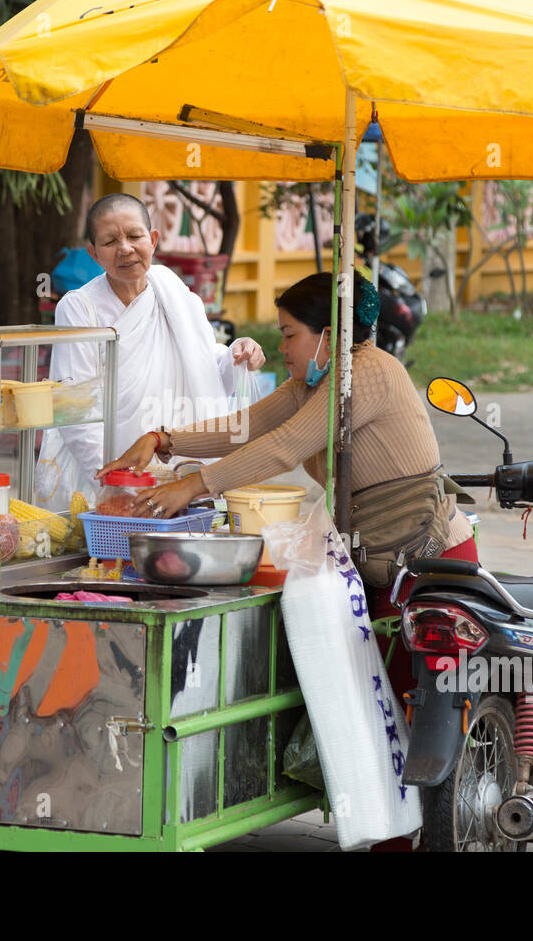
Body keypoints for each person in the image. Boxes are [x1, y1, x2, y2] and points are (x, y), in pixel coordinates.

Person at [100, 272, 475, 852]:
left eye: (289, 334)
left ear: (328, 336)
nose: (282, 346)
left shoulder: (366, 373)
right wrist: (163, 440)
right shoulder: (312, 382)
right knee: (379, 696)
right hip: (375, 561)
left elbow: (282, 446)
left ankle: (431, 827)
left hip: (430, 558)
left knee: (412, 697)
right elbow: (246, 427)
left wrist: (193, 487)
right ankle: (395, 832)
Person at [34, 192, 265, 511]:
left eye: (134, 236)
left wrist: (236, 355)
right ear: (94, 253)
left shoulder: (175, 293)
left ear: (153, 239)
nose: (125, 248)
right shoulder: (79, 308)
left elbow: (205, 369)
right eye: (110, 241)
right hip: (108, 478)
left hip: (177, 473)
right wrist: (112, 480)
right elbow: (75, 407)